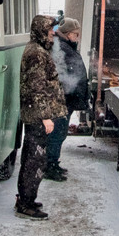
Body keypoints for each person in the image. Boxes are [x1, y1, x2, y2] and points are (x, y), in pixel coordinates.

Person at [15, 15, 67, 219]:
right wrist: (46, 116)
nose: (53, 32)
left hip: (35, 115)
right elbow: (37, 88)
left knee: (32, 158)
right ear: (41, 31)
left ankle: (26, 198)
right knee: (34, 161)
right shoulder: (36, 53)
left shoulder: (37, 50)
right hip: (37, 117)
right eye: (49, 29)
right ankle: (26, 204)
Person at [44, 17, 88, 181]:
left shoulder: (66, 46)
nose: (77, 37)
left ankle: (53, 163)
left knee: (60, 133)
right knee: (56, 134)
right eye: (76, 34)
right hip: (61, 100)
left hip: (67, 99)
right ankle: (49, 166)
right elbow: (59, 74)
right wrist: (67, 92)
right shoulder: (60, 47)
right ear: (68, 33)